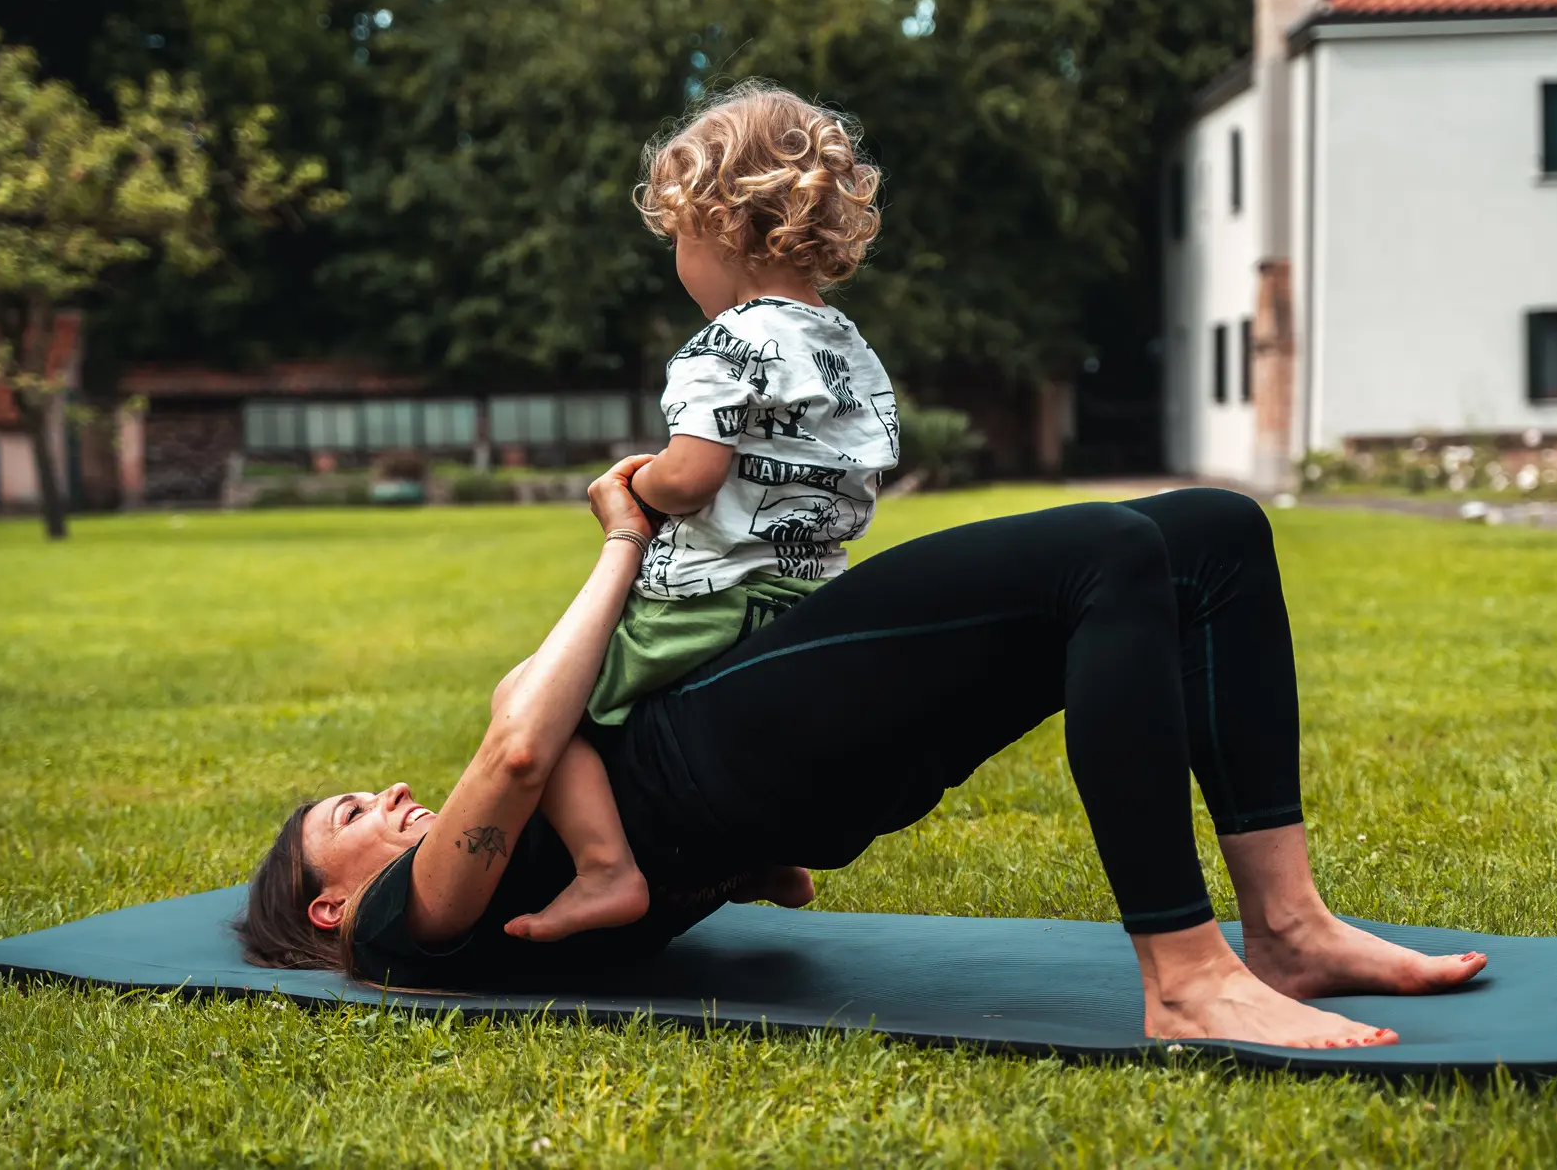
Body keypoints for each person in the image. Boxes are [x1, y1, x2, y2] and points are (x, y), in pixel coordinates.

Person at [240, 462, 1488, 1050]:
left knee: (1210, 532)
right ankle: (1183, 978)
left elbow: (745, 878)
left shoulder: (521, 899)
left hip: (794, 771)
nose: (392, 794)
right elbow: (519, 746)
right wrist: (624, 538)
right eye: (351, 810)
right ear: (330, 901)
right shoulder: (399, 931)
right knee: (1106, 552)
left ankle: (1288, 925)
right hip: (741, 746)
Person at [418, 81, 899, 947]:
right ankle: (765, 855)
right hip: (810, 598)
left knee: (534, 701)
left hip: (707, 598)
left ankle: (607, 871)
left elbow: (695, 477)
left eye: (677, 239)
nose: (676, 262)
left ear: (719, 229)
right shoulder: (849, 347)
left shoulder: (720, 345)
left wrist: (635, 490)